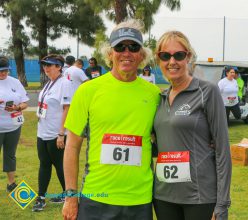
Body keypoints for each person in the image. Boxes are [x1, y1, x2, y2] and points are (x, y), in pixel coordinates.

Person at [62, 19, 160, 220]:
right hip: (96, 197)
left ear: (142, 55)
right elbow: (72, 146)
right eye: (119, 47)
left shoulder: (154, 95)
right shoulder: (87, 91)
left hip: (139, 200)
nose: (126, 52)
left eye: (133, 47)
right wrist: (71, 197)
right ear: (109, 53)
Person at [153, 31, 231, 220]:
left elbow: (222, 150)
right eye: (165, 56)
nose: (172, 61)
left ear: (188, 57)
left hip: (200, 196)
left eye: (178, 55)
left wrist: (222, 204)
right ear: (159, 60)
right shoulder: (159, 98)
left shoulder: (207, 91)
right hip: (163, 197)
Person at [32, 54, 73, 212]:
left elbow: (67, 108)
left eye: (50, 65)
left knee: (60, 165)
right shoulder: (49, 83)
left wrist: (61, 133)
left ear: (59, 67)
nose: (46, 68)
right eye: (44, 65)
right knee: (44, 164)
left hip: (56, 133)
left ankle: (67, 194)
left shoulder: (64, 83)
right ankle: (41, 197)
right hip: (42, 131)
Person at [0, 55, 29, 192]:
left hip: (13, 126)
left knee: (10, 155)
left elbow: (24, 103)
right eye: (0, 70)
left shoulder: (15, 82)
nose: (3, 73)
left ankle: (11, 184)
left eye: (5, 70)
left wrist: (17, 108)